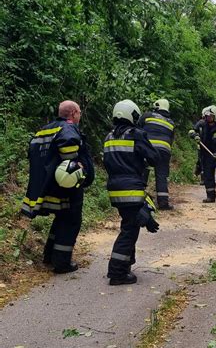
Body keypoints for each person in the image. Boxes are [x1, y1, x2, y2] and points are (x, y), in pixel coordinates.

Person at [21, 100, 94, 273]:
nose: (80, 116)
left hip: (47, 187)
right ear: (74, 113)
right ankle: (62, 263)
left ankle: (49, 256)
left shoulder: (44, 130)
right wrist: (78, 166)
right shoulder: (68, 128)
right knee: (70, 221)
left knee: (61, 219)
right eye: (79, 113)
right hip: (66, 187)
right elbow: (68, 151)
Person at [104, 100, 160, 285]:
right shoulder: (136, 134)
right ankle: (117, 272)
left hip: (115, 189)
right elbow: (153, 158)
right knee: (129, 230)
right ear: (132, 115)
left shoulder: (109, 137)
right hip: (132, 188)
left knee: (130, 224)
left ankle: (126, 264)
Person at [138, 98, 175, 210]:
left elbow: (138, 130)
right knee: (162, 176)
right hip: (164, 150)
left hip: (149, 148)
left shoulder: (147, 116)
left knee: (143, 171)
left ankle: (138, 199)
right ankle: (163, 203)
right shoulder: (171, 122)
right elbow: (171, 139)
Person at [188, 105, 216, 204]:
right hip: (206, 155)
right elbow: (193, 130)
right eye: (207, 116)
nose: (208, 118)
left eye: (210, 116)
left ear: (215, 116)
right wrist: (195, 135)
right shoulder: (202, 124)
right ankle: (210, 197)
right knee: (208, 176)